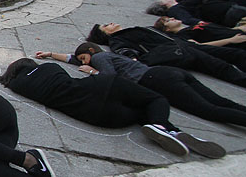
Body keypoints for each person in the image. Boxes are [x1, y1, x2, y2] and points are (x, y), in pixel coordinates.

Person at [0, 58, 226, 157]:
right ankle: (165, 127)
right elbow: (62, 73)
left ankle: (168, 131)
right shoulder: (49, 69)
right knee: (155, 100)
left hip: (99, 116)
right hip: (102, 87)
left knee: (138, 114)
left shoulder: (18, 85)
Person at [37, 44, 241, 147]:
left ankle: (163, 127)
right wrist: (51, 54)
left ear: (92, 51)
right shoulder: (106, 55)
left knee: (208, 109)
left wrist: (92, 72)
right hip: (167, 72)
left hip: (156, 80)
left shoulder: (100, 57)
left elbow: (110, 76)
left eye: (85, 58)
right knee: (219, 101)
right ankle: (172, 131)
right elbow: (74, 58)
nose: (84, 62)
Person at [87, 22, 246, 85]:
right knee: (221, 66)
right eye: (107, 26)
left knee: (234, 54)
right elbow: (124, 51)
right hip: (178, 52)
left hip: (184, 46)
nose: (111, 23)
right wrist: (132, 59)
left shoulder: (133, 29)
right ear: (106, 34)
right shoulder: (118, 39)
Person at [153, 16, 246, 49]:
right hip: (237, 41)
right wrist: (230, 40)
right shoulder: (183, 34)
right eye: (168, 20)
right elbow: (200, 46)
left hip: (237, 33)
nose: (173, 18)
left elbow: (225, 30)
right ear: (167, 29)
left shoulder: (192, 26)